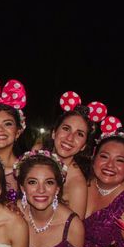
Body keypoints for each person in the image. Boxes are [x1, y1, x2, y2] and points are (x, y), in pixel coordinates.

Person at [43, 91, 102, 219]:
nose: (70, 138)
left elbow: (74, 232)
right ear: (54, 133)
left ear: (84, 146)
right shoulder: (36, 154)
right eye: (66, 128)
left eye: (79, 134)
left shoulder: (77, 185)